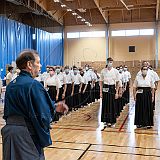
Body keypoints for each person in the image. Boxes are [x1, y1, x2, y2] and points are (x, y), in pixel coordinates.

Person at [1, 49, 68, 160]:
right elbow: (43, 114)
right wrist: (54, 110)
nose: (40, 65)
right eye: (38, 62)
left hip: (9, 133)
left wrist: (54, 107)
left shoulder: (10, 86)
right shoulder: (34, 85)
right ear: (29, 65)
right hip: (26, 135)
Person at [100, 57, 120, 129]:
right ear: (107, 62)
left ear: (112, 62)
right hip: (105, 88)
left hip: (112, 88)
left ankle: (112, 121)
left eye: (111, 62)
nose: (110, 63)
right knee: (105, 104)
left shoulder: (115, 71)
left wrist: (117, 92)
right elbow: (101, 82)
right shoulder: (103, 71)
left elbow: (117, 82)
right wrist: (101, 92)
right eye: (108, 62)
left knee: (112, 105)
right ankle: (105, 121)